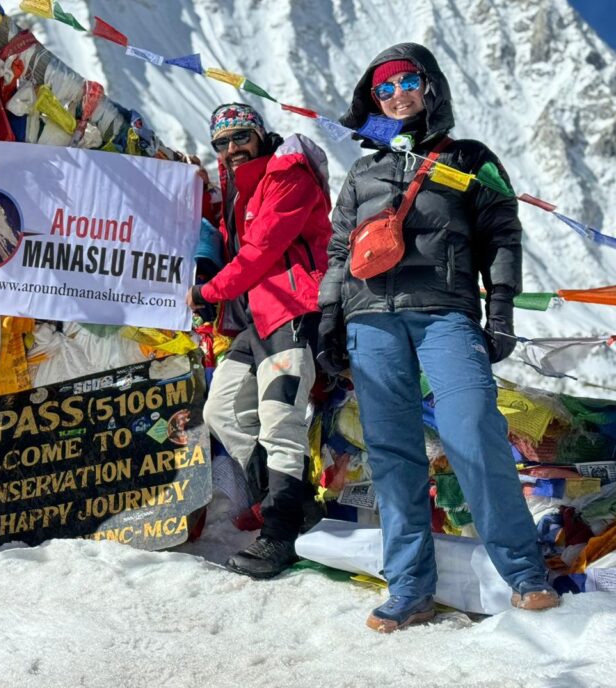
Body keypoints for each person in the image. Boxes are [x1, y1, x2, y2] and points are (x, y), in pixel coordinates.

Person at [316, 43, 560, 633]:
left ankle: (525, 574)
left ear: (429, 86)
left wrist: (498, 308)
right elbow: (339, 249)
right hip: (370, 318)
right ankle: (409, 589)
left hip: (446, 312)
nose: (395, 93)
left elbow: (502, 234)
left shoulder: (471, 158)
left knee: (472, 427)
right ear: (371, 101)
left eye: (406, 81)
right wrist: (328, 314)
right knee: (394, 452)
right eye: (382, 88)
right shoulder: (362, 170)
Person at [186, 103, 332, 578]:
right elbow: (225, 242)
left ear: (260, 134)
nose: (231, 149)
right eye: (222, 144)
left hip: (294, 309)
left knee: (279, 420)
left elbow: (261, 251)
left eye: (240, 137)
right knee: (221, 410)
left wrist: (208, 292)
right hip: (255, 321)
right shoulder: (238, 192)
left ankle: (279, 533)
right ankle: (291, 504)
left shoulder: (289, 172)